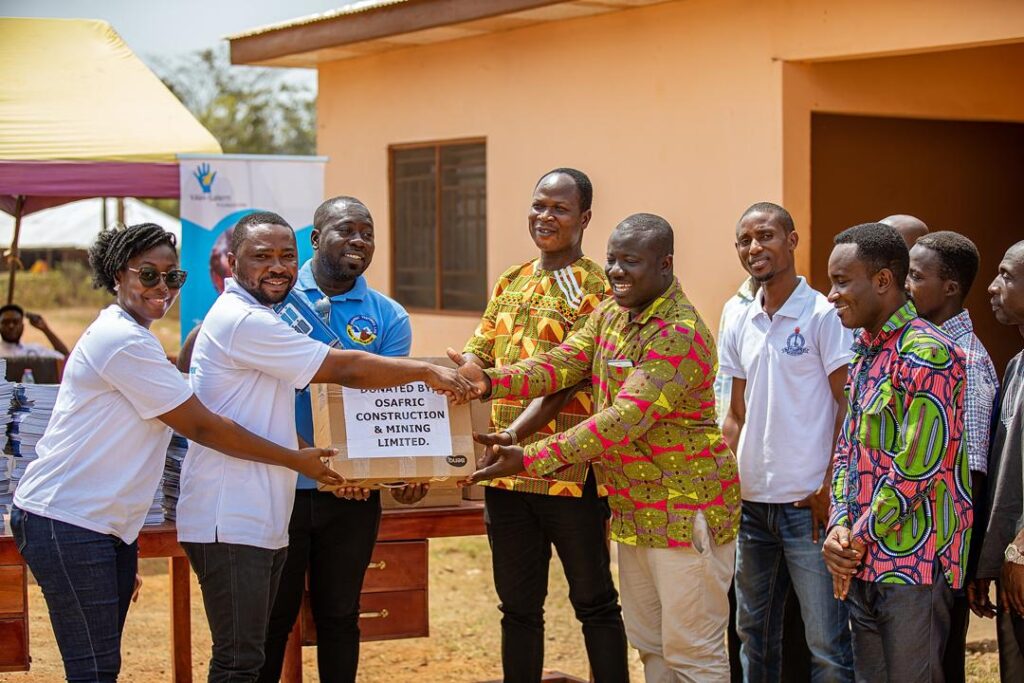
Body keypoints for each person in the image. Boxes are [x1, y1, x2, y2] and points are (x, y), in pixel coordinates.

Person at [9, 222, 344, 682]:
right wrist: (293, 458)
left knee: (100, 665)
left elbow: (194, 400)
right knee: (94, 670)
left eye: (173, 277)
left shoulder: (137, 338)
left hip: (102, 524)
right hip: (68, 518)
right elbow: (202, 425)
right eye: (148, 275)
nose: (162, 288)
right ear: (117, 275)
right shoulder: (121, 341)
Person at [175, 211, 474, 683]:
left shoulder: (274, 313)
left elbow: (267, 416)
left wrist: (349, 468)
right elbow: (346, 369)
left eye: (285, 256)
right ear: (233, 262)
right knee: (242, 659)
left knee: (285, 639)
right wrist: (426, 371)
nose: (277, 266)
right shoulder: (249, 320)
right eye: (262, 256)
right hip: (233, 511)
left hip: (268, 506)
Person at [458, 213, 741, 682]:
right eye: (612, 259)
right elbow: (563, 362)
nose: (616, 271)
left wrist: (529, 457)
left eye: (631, 261)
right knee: (651, 645)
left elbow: (621, 420)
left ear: (665, 264)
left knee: (693, 653)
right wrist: (487, 381)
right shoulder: (611, 313)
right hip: (635, 512)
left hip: (685, 512)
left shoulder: (679, 333)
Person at [459, 168, 628, 682]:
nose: (545, 216)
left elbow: (568, 380)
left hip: (569, 474)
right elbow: (481, 347)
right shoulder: (511, 279)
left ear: (585, 218)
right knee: (517, 608)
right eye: (538, 205)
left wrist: (517, 434)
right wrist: (465, 370)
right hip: (505, 476)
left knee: (594, 602)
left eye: (559, 208)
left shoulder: (597, 287)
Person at [259, 197, 427, 683]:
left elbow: (385, 407)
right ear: (315, 239)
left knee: (339, 616)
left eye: (367, 233)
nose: (359, 241)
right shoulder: (273, 302)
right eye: (346, 230)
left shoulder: (389, 317)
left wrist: (385, 471)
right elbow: (260, 394)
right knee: (271, 620)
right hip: (280, 487)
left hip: (351, 498)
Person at [822, 222, 971, 682]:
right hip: (862, 561)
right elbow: (847, 449)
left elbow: (916, 469)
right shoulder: (864, 350)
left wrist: (856, 538)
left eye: (841, 281)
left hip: (914, 567)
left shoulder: (929, 353)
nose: (831, 295)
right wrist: (839, 526)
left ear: (884, 280)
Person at [720, 202, 854, 682]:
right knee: (753, 636)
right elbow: (735, 414)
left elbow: (848, 405)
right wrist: (723, 487)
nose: (754, 247)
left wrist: (830, 487)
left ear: (792, 241)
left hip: (807, 509)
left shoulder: (823, 314)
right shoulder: (738, 315)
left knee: (827, 644)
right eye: (744, 240)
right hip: (751, 509)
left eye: (765, 236)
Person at [906, 231, 999, 682]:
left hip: (940, 552)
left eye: (915, 276)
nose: (905, 285)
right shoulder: (918, 345)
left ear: (949, 287)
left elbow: (973, 474)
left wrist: (965, 565)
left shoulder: (965, 361)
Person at [970, 240, 1024, 680]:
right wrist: (989, 560)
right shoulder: (1015, 366)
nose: (991, 286)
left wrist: (1020, 550)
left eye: (1006, 275)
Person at [0, 304, 69, 358]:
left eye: (15, 322)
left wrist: (46, 329)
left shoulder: (35, 351)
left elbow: (66, 358)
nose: (11, 326)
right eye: (6, 322)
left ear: (22, 326)